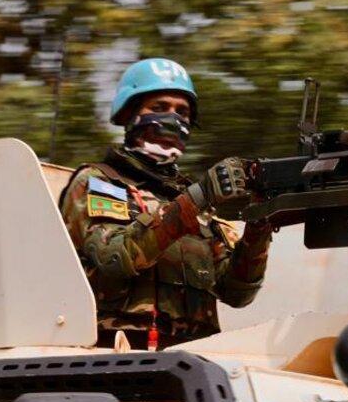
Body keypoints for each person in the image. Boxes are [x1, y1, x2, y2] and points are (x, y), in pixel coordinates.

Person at [60, 58, 271, 349]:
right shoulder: (98, 182)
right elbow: (113, 258)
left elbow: (237, 293)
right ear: (129, 114)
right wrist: (197, 198)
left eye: (182, 112)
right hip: (117, 353)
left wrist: (261, 223)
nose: (173, 118)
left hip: (196, 356)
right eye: (159, 107)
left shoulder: (195, 202)